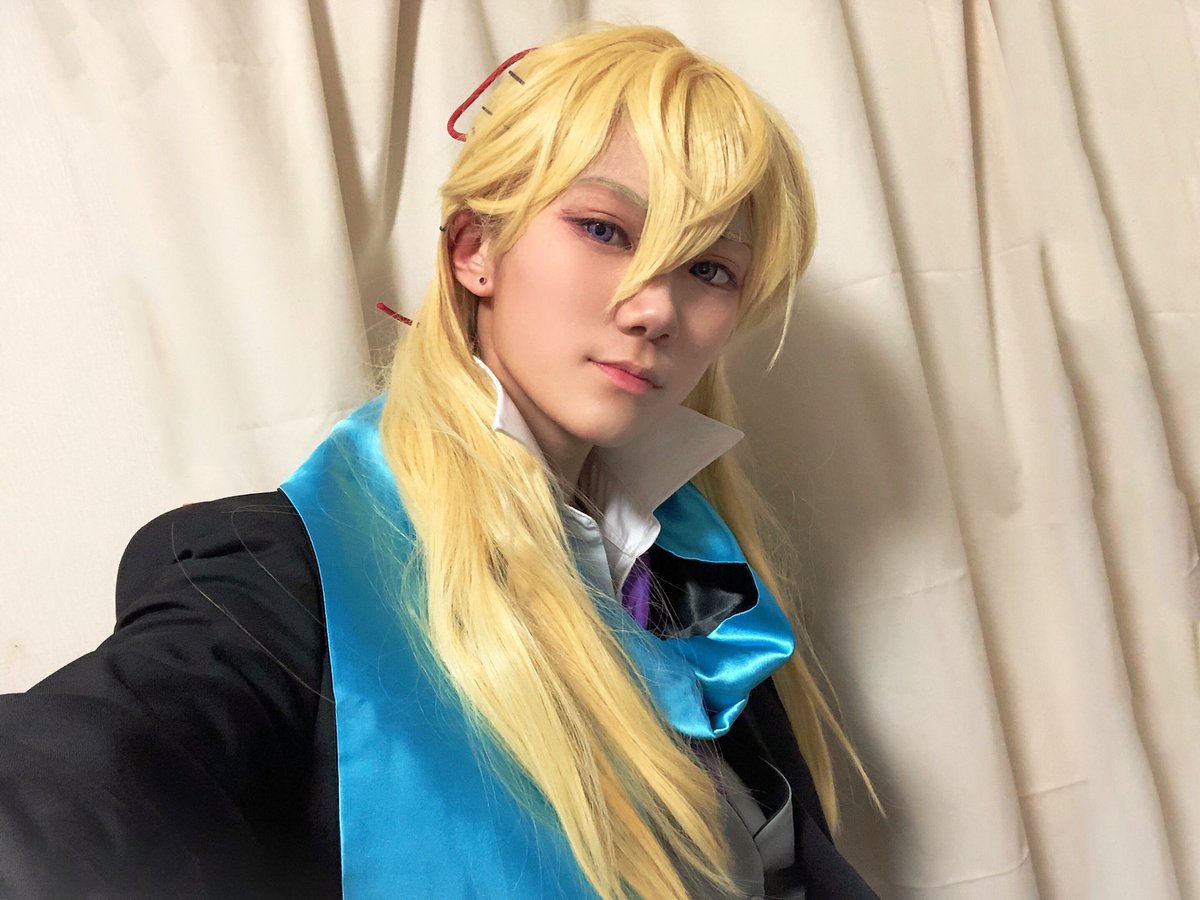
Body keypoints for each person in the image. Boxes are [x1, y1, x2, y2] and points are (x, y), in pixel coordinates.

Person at [0, 23, 880, 900]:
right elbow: (82, 785)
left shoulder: (697, 581)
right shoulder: (284, 578)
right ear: (475, 250)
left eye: (711, 270)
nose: (656, 308)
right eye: (605, 229)